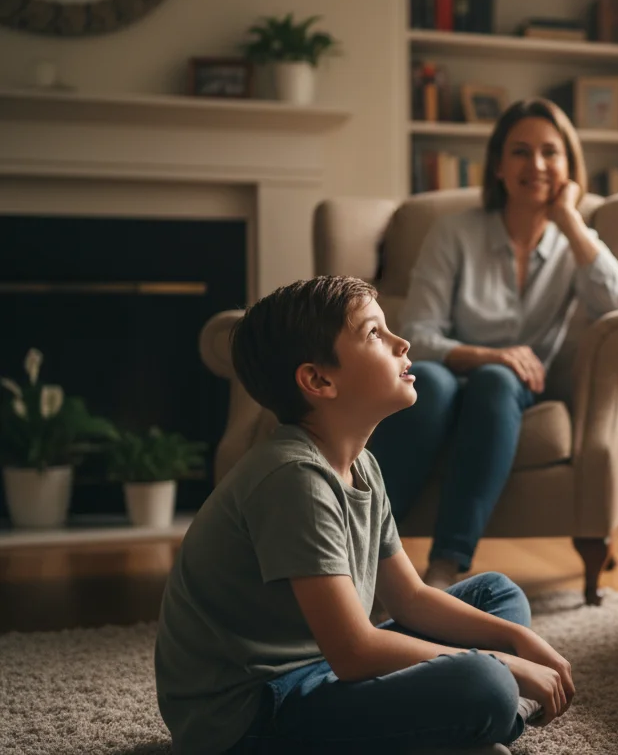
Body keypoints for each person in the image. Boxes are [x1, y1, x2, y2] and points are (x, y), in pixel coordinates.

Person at [154, 276, 575, 754]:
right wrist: (503, 664)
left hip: (320, 669)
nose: (402, 342)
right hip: (249, 714)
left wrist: (514, 639)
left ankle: (460, 731)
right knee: (488, 682)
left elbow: (410, 598)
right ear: (318, 380)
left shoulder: (362, 465)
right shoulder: (294, 478)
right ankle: (472, 725)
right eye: (374, 333)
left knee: (496, 596)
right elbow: (355, 651)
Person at [368, 98, 618, 589]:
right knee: (430, 381)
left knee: (497, 382)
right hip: (444, 373)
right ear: (498, 165)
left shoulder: (573, 243)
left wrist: (571, 221)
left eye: (549, 153)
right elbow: (418, 335)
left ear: (568, 167)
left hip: (510, 388)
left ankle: (445, 568)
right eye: (520, 152)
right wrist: (488, 353)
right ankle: (363, 551)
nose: (535, 165)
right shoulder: (453, 232)